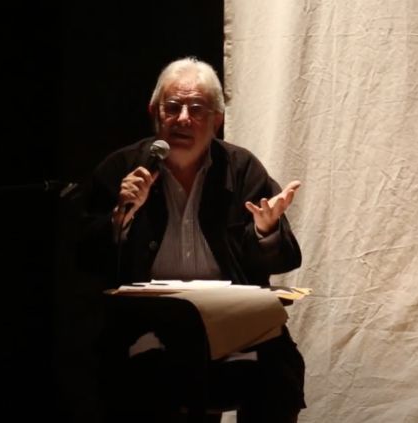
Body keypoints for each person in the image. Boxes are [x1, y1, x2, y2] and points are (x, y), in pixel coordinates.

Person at [78, 56, 305, 423]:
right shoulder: (123, 169)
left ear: (217, 120)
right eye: (172, 107)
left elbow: (283, 259)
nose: (183, 118)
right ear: (154, 113)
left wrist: (265, 231)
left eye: (197, 109)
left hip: (233, 323)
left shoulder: (242, 169)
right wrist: (120, 217)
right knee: (134, 377)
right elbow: (85, 258)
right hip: (147, 323)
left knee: (278, 373)